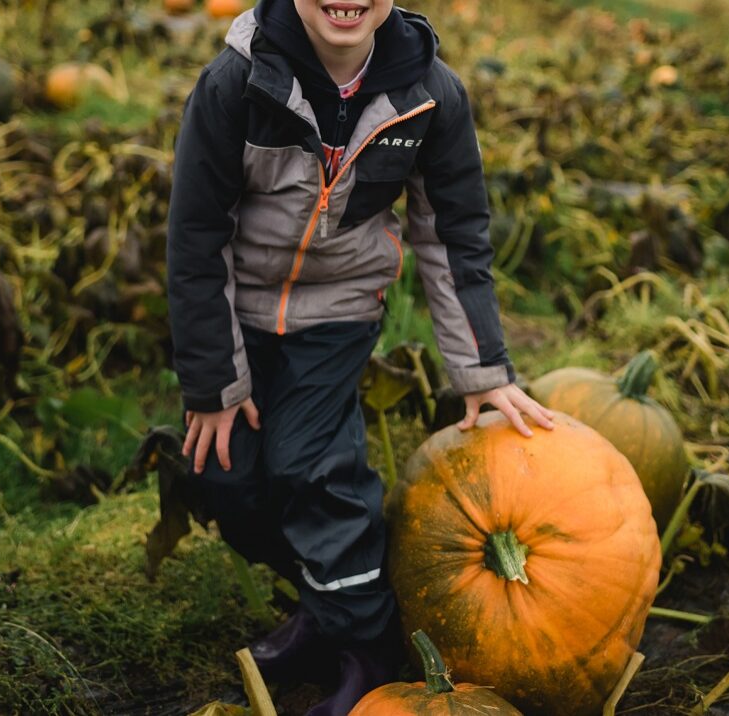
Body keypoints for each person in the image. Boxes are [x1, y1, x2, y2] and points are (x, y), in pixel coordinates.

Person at [165, 1, 555, 712]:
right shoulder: (236, 84)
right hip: (239, 313)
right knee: (228, 478)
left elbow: (452, 233)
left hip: (337, 312)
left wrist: (479, 371)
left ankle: (368, 643)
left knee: (310, 466)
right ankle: (323, 604)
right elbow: (196, 238)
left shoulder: (430, 93)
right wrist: (215, 382)